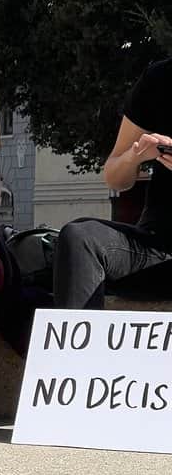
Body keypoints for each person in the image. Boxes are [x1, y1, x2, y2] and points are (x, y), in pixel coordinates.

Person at [53, 59, 172, 308]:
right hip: (159, 246)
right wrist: (136, 156)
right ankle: (77, 346)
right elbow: (115, 177)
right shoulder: (160, 78)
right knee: (80, 237)